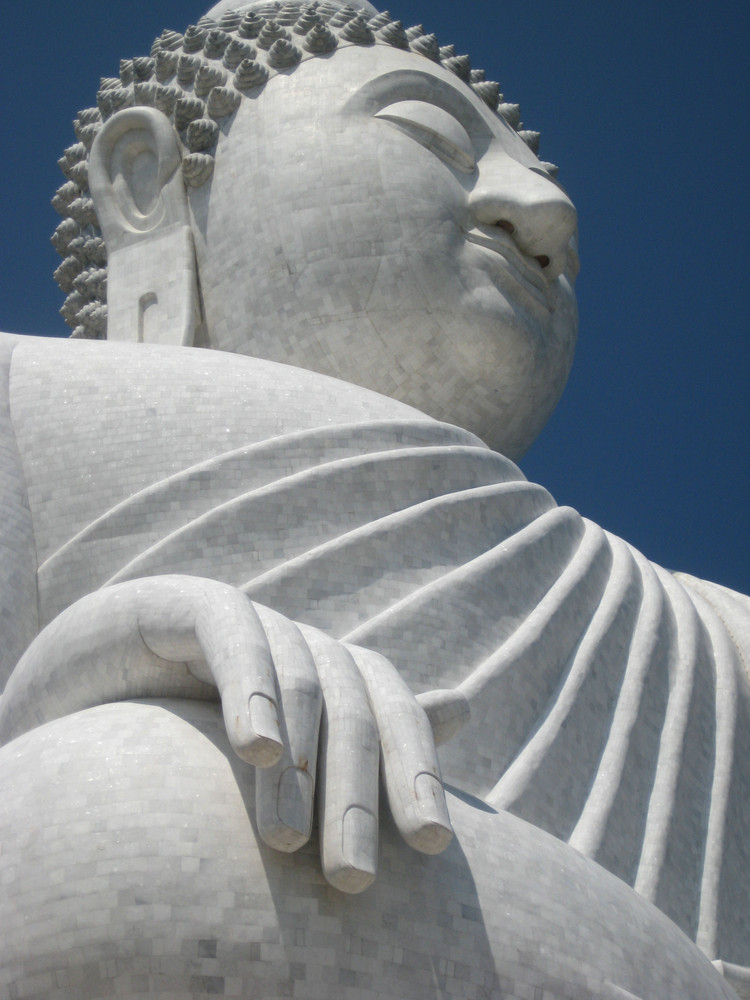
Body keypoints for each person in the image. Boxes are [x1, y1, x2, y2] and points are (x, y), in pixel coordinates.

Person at [0, 3, 748, 998]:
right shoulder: (22, 408)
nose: (548, 219)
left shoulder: (721, 631)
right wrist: (75, 665)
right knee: (144, 794)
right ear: (147, 182)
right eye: (432, 134)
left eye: (553, 192)